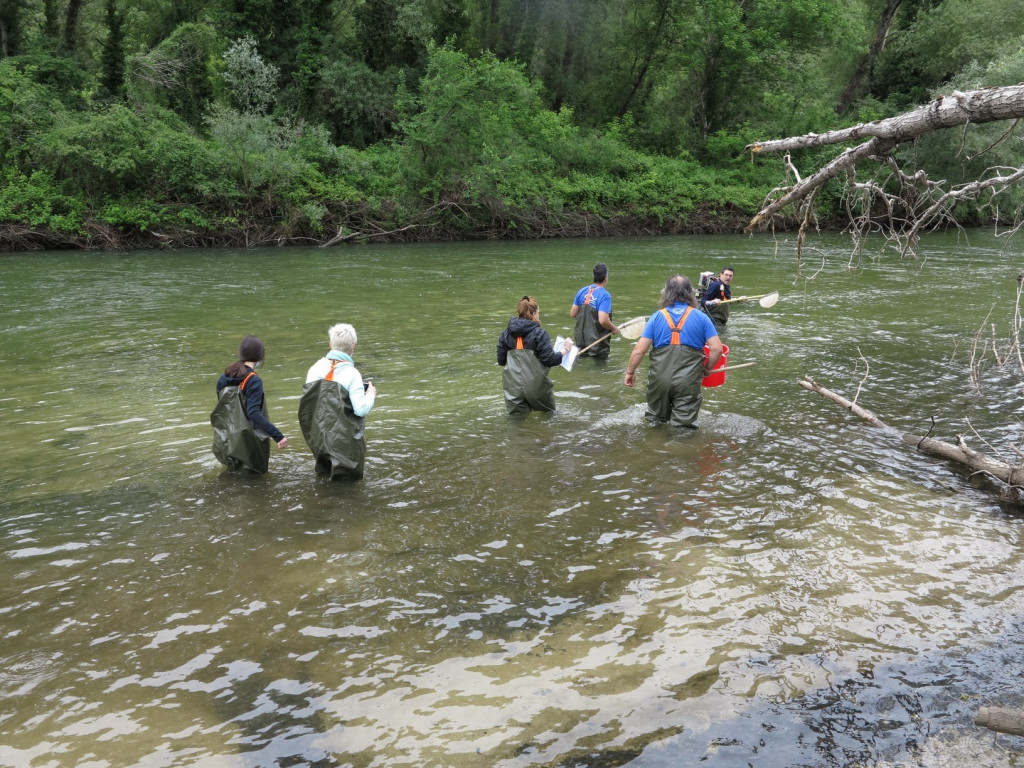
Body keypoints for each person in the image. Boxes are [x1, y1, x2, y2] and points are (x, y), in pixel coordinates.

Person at [625, 275, 724, 427]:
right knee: (684, 428)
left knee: (655, 422)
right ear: (690, 293)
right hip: (688, 381)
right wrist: (707, 369)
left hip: (659, 381)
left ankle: (653, 442)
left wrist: (630, 372)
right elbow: (717, 349)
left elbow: (639, 350)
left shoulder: (657, 317)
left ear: (667, 293)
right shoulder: (702, 317)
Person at [298, 323, 376, 480]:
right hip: (343, 439)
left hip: (318, 435)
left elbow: (309, 404)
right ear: (352, 347)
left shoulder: (314, 368)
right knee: (347, 481)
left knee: (323, 475)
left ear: (330, 344)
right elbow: (360, 409)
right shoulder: (352, 374)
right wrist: (370, 394)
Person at [211, 335, 288, 474]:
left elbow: (222, 410)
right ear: (260, 357)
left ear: (240, 354)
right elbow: (253, 413)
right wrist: (278, 436)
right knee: (252, 477)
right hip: (247, 441)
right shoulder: (253, 380)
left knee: (232, 473)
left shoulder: (224, 377)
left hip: (227, 439)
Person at [497, 295, 574, 415]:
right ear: (533, 314)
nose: (539, 315)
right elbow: (550, 360)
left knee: (516, 421)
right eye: (538, 312)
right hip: (536, 388)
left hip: (513, 388)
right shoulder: (539, 333)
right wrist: (566, 349)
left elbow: (501, 361)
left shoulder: (505, 334)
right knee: (550, 416)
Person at [569, 262, 620, 358]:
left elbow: (572, 313)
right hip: (597, 345)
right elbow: (603, 320)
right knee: (598, 365)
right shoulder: (605, 296)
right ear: (605, 278)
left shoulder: (581, 291)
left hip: (581, 341)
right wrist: (614, 328)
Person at [700, 266, 745, 330]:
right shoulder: (716, 285)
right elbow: (702, 302)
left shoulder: (726, 286)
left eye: (730, 276)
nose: (728, 277)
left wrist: (739, 299)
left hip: (721, 320)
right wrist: (712, 302)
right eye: (726, 275)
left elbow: (726, 301)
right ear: (721, 274)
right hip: (712, 320)